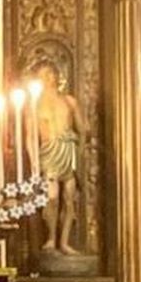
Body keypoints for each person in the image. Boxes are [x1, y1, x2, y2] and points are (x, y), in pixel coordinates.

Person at [29, 57, 84, 259]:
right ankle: (51, 237)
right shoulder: (34, 106)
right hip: (49, 151)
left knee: (69, 200)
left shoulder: (69, 101)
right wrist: (34, 160)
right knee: (51, 198)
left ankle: (64, 241)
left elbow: (83, 129)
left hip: (67, 149)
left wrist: (78, 142)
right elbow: (29, 136)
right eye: (44, 74)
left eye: (51, 73)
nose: (49, 77)